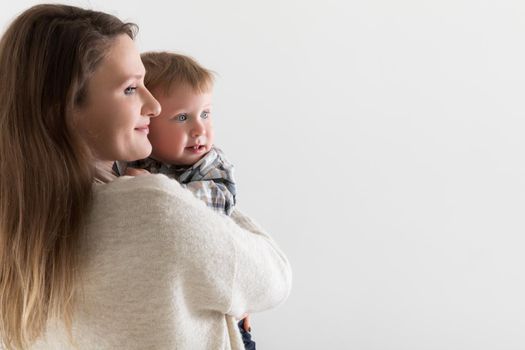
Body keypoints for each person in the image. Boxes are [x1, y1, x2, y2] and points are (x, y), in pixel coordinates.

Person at [0, 4, 292, 350]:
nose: (153, 106)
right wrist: (180, 185)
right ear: (62, 109)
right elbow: (274, 277)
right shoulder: (150, 207)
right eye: (129, 89)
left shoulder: (15, 219)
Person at [127, 52, 254, 349]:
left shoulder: (211, 165)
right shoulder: (132, 160)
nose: (200, 129)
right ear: (146, 121)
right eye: (182, 117)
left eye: (206, 114)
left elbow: (208, 211)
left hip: (221, 316)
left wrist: (158, 190)